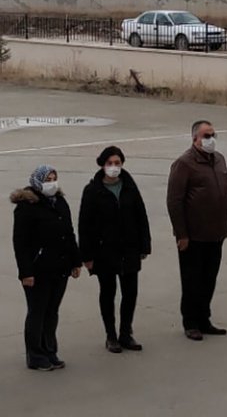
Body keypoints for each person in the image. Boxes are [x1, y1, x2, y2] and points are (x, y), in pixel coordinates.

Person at [78, 146, 151, 353]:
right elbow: (85, 225)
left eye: (117, 163)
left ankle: (126, 333)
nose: (114, 167)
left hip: (129, 249)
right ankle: (111, 335)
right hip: (104, 252)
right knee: (108, 292)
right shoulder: (92, 191)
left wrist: (144, 245)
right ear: (102, 165)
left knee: (130, 293)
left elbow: (141, 216)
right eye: (110, 163)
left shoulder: (129, 186)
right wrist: (87, 256)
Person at [10, 165, 81, 371]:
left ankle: (50, 350)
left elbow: (69, 233)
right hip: (38, 270)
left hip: (60, 267)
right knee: (37, 312)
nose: (52, 182)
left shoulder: (60, 202)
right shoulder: (26, 207)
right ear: (37, 182)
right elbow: (20, 243)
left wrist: (75, 261)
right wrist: (26, 272)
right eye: (48, 179)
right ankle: (35, 354)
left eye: (54, 178)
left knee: (52, 311)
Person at [166, 119, 227, 341]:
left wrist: (226, 220)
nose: (210, 139)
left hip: (216, 232)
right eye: (206, 136)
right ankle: (191, 322)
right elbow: (174, 201)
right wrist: (181, 234)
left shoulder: (219, 159)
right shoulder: (184, 164)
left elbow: (225, 192)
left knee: (209, 278)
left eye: (213, 135)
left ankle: (204, 319)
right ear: (195, 139)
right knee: (192, 279)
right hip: (193, 236)